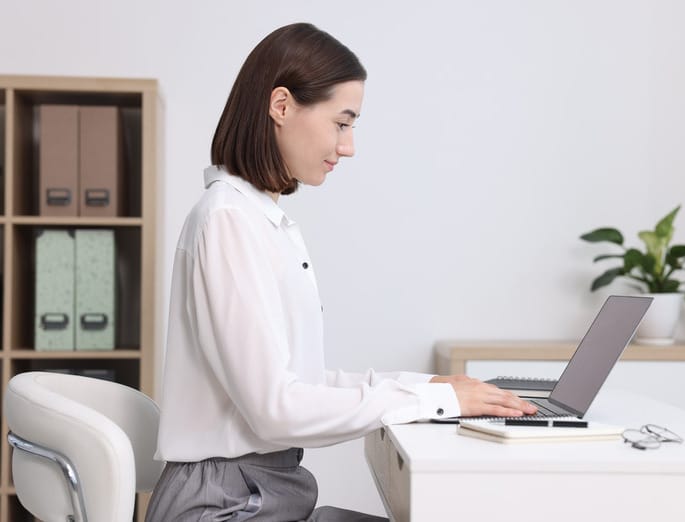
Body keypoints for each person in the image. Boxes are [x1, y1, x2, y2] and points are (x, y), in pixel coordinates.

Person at [146, 22, 536, 522]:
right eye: (342, 122)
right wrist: (429, 398)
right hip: (227, 504)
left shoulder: (257, 219)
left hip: (251, 492)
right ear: (281, 106)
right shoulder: (228, 221)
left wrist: (431, 386)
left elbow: (302, 381)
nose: (348, 146)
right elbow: (275, 408)